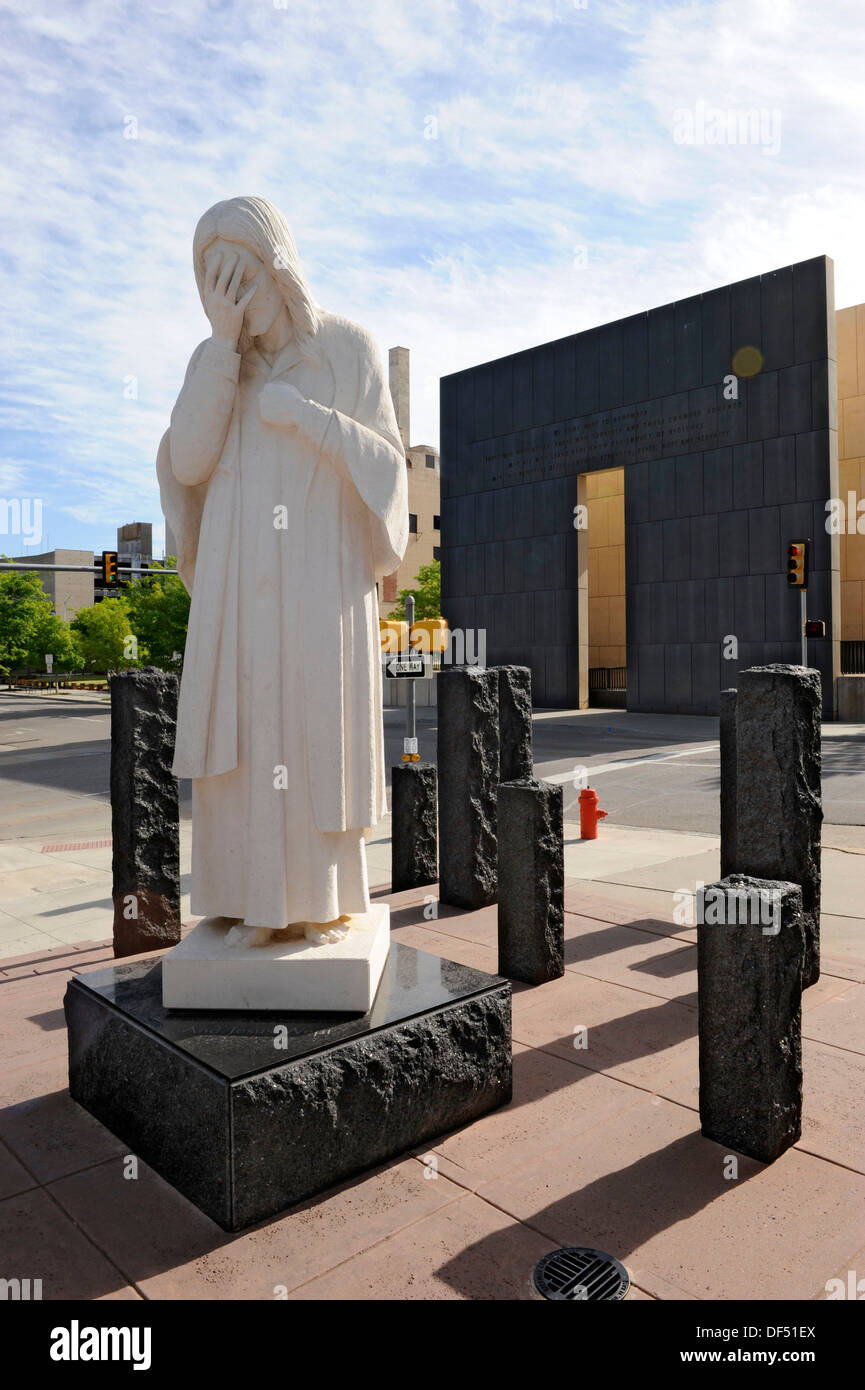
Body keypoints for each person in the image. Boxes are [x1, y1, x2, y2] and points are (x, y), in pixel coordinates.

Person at [157, 196, 408, 942]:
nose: (234, 301)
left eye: (244, 282)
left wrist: (312, 419)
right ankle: (246, 902)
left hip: (318, 578)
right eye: (216, 287)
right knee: (241, 733)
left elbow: (390, 472)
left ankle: (315, 903)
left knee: (310, 732)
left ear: (278, 265)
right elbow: (189, 460)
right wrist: (221, 347)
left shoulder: (348, 350)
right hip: (238, 582)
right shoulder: (214, 364)